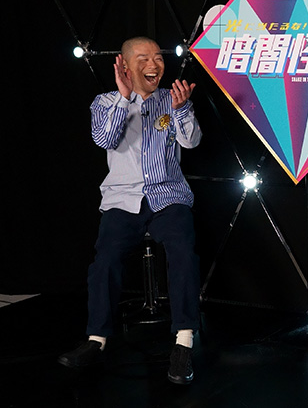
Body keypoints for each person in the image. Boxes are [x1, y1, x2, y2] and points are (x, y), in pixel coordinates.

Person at [58, 37, 202, 385]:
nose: (153, 64)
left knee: (183, 252)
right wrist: (124, 98)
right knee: (105, 260)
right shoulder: (105, 102)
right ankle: (97, 340)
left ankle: (184, 341)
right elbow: (105, 139)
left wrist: (182, 110)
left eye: (157, 57)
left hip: (168, 196)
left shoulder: (173, 98)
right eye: (143, 58)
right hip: (123, 200)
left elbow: (192, 141)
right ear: (124, 65)